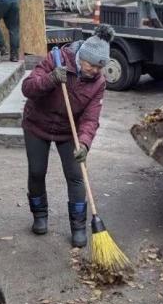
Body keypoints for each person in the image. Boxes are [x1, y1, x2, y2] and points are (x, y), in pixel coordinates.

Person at [20, 25, 113, 247]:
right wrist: (51, 79)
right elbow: (28, 88)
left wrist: (84, 143)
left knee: (76, 175)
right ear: (82, 57)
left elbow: (91, 118)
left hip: (68, 131)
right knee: (36, 171)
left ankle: (79, 226)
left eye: (99, 68)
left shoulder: (98, 83)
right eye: (91, 65)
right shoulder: (56, 59)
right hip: (37, 124)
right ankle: (40, 215)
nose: (93, 71)